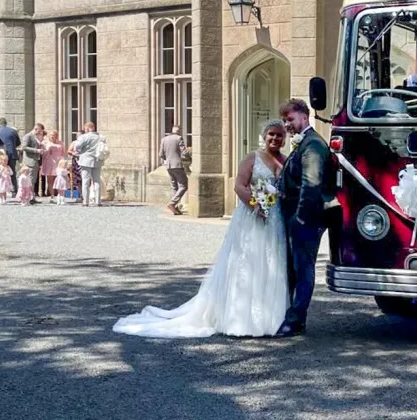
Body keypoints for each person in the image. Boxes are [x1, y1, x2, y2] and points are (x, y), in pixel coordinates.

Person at [113, 119, 289, 338]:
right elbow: (239, 185)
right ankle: (240, 319)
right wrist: (255, 205)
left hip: (275, 219)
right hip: (251, 217)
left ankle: (270, 318)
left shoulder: (285, 160)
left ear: (285, 138)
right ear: (264, 136)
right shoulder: (252, 158)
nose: (275, 138)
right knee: (248, 263)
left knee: (271, 264)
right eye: (271, 134)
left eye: (279, 135)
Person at [275, 99, 340, 337]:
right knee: (294, 267)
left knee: (303, 268)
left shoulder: (312, 145)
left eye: (290, 119)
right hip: (298, 217)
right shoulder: (304, 143)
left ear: (305, 117)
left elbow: (311, 186)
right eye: (285, 120)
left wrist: (300, 219)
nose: (287, 124)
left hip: (308, 219)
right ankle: (291, 315)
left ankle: (296, 320)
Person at [158, 124, 190, 215]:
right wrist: (190, 155)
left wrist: (168, 158)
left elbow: (161, 154)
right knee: (184, 185)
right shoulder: (178, 138)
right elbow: (184, 153)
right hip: (177, 165)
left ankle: (174, 208)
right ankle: (172, 203)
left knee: (175, 187)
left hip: (168, 165)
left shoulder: (164, 140)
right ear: (179, 131)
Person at [70, 122, 103, 207]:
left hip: (86, 160)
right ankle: (98, 201)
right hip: (97, 159)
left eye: (85, 129)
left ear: (88, 128)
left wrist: (81, 150)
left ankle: (86, 201)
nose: (85, 130)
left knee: (85, 181)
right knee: (97, 181)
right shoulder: (100, 137)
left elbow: (77, 147)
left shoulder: (84, 137)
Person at [20, 123, 46, 204]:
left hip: (36, 161)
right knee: (30, 180)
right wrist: (36, 150)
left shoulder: (36, 137)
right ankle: (28, 198)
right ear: (36, 129)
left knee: (33, 180)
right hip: (29, 161)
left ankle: (32, 197)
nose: (40, 132)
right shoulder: (28, 136)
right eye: (40, 131)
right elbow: (24, 147)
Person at [0, 117, 20, 196]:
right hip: (12, 154)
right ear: (6, 123)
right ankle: (14, 191)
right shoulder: (13, 131)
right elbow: (18, 143)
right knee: (12, 172)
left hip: (1, 154)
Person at [39, 130, 63, 198]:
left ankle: (59, 194)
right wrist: (47, 149)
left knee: (58, 178)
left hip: (59, 161)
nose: (52, 136)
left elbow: (63, 152)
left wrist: (63, 161)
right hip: (49, 161)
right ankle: (52, 194)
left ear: (56, 136)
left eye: (54, 135)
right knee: (50, 179)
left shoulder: (60, 142)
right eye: (51, 135)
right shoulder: (45, 142)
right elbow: (42, 153)